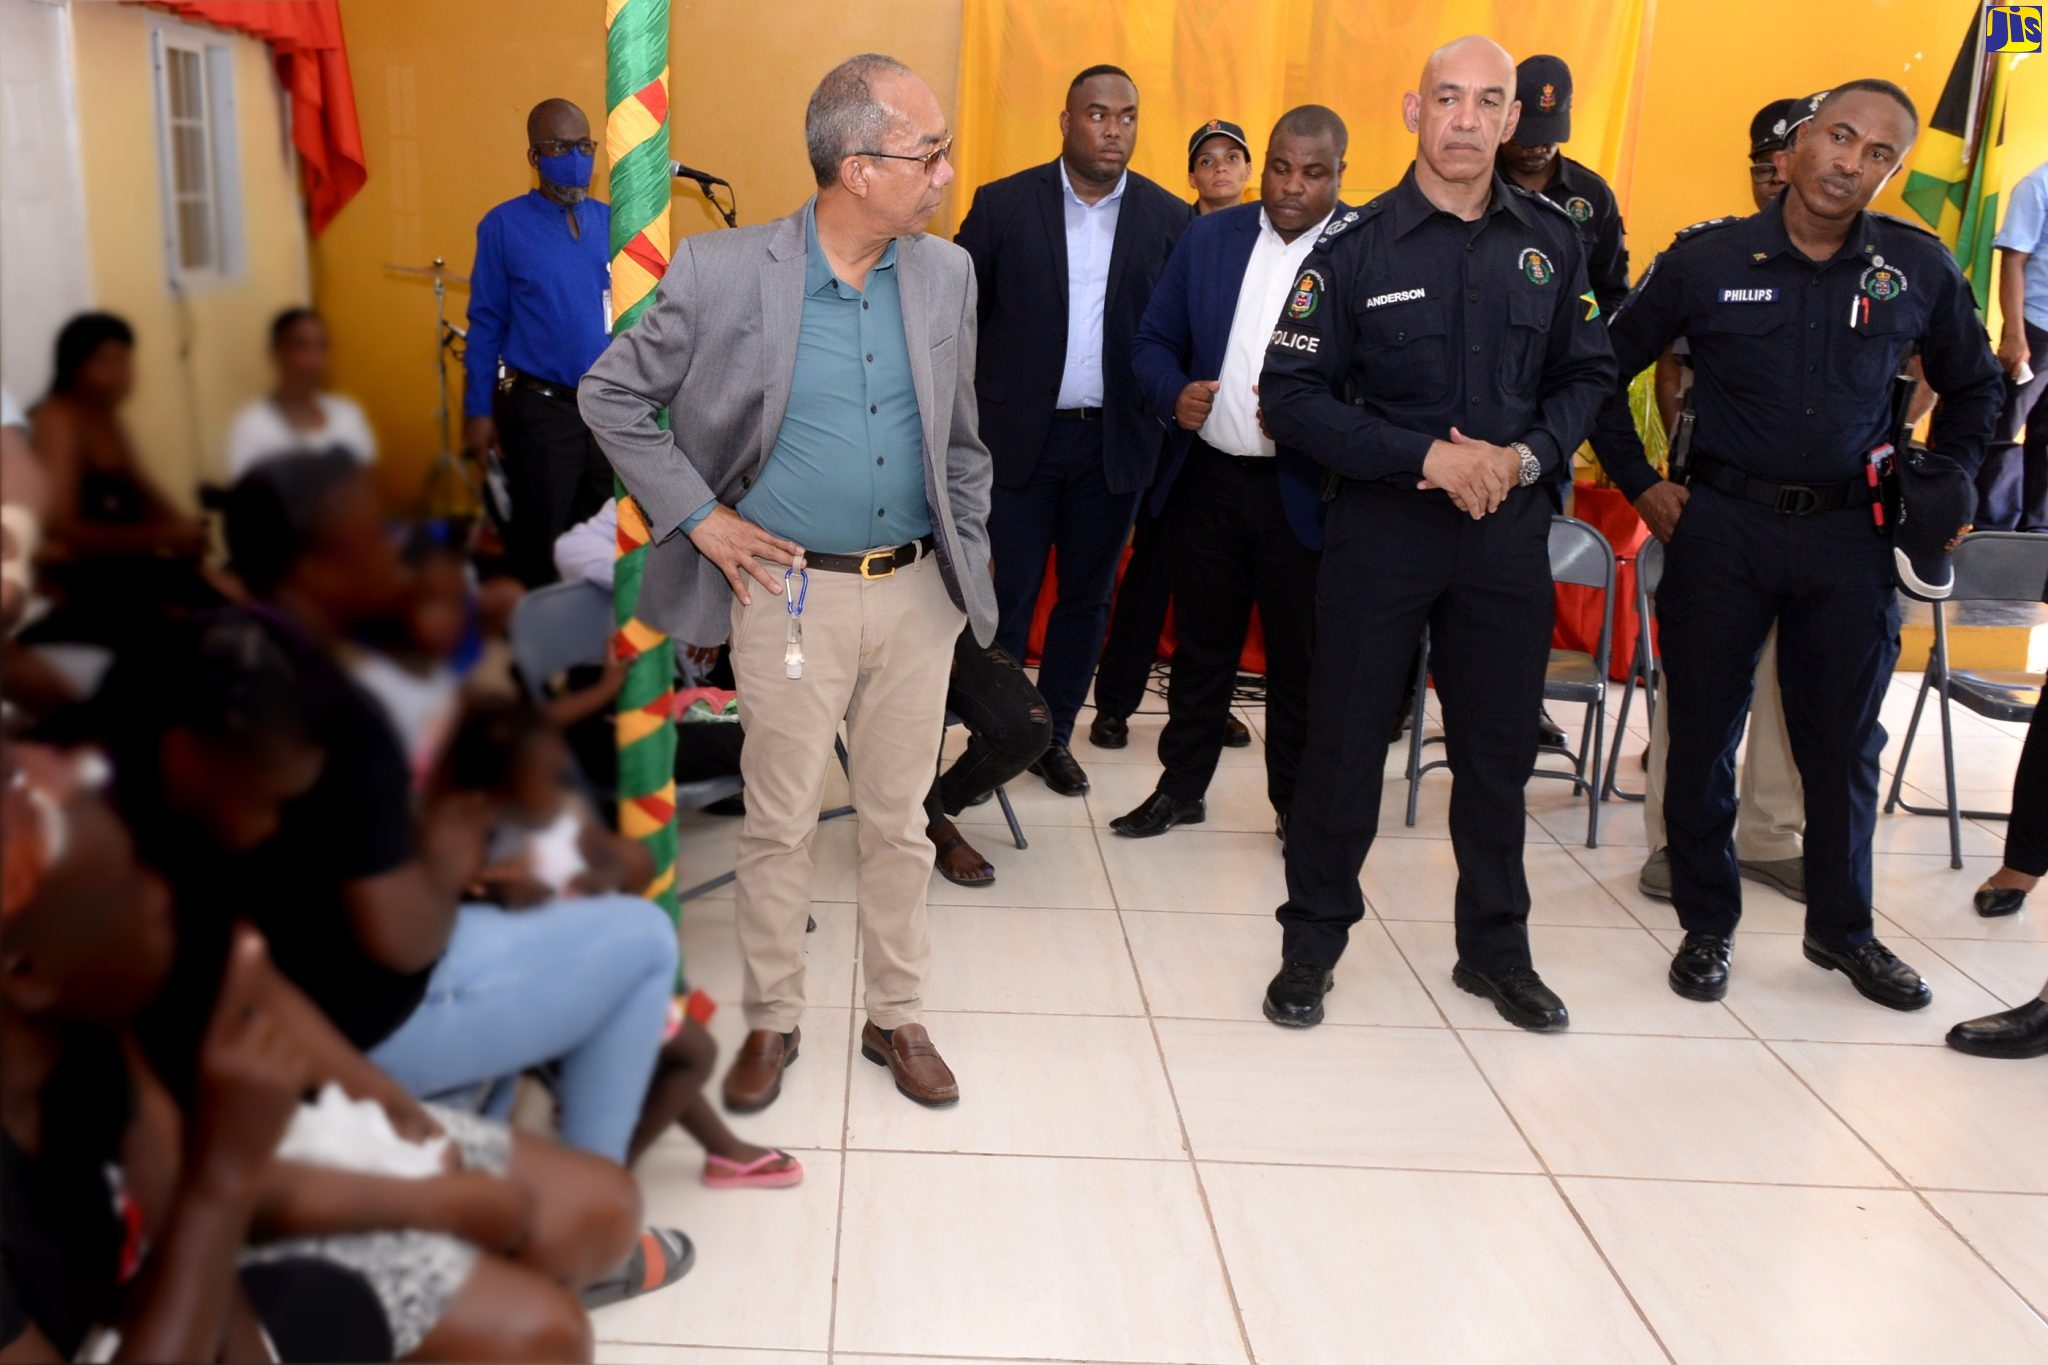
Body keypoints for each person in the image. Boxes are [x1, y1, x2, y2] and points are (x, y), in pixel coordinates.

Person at [580, 54, 995, 1112]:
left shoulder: (946, 275)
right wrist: (702, 518)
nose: (944, 170)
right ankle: (773, 1019)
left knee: (900, 821)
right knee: (779, 821)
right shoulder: (723, 272)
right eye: (926, 151)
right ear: (856, 169)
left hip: (915, 598)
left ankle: (895, 1015)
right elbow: (612, 395)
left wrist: (964, 560)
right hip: (785, 595)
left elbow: (962, 442)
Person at [89, 618, 643, 1356]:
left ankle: (479, 1278)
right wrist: (429, 1200)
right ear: (187, 759)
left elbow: (253, 979)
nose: (268, 829)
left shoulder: (190, 858)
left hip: (267, 1137)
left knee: (602, 1206)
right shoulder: (101, 930)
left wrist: (385, 1107)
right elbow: (212, 1185)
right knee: (542, 1328)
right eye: (264, 801)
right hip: (216, 1200)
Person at [1590, 82, 2003, 1011]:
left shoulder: (1916, 267)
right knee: (1698, 735)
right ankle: (1706, 922)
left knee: (1846, 744)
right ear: (1797, 145)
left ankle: (1844, 932)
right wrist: (1640, 482)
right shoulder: (1706, 260)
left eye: (1878, 154)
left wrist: (1946, 477)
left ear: (1890, 172)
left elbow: (1979, 386)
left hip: (1849, 538)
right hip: (1721, 529)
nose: (1851, 163)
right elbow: (1594, 368)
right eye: (1840, 137)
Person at [1258, 36, 1617, 1033]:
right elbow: (1286, 397)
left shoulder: (1550, 241)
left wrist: (1526, 457)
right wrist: (1425, 458)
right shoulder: (1351, 247)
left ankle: (1494, 951)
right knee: (1340, 751)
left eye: (1485, 102)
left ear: (1512, 121)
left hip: (1503, 534)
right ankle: (1312, 941)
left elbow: (1586, 373)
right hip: (1381, 529)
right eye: (1444, 99)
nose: (1464, 119)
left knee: (1497, 753)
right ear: (1410, 112)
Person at [1110, 107, 1350, 842]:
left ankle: (1295, 809)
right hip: (1209, 479)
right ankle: (1182, 786)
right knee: (1202, 647)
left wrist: (1317, 421)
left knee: (1298, 663)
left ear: (1341, 174)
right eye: (1280, 167)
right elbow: (1152, 341)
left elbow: (1386, 379)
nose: (1290, 186)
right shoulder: (1211, 237)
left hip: (1306, 492)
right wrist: (1171, 392)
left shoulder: (1365, 249)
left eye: (1312, 173)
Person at [957, 64, 1189, 797]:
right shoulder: (1001, 207)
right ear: (1065, 120)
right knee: (1011, 594)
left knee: (1087, 597)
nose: (1112, 128)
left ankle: (1052, 735)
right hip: (1019, 438)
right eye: (1097, 114)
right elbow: (959, 322)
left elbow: (1178, 334)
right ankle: (1001, 730)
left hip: (1114, 444)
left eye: (1126, 115)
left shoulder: (1168, 219)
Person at [1635, 97, 1810, 908]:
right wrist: (1664, 470)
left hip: (1824, 518)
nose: (1777, 176)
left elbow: (1925, 373)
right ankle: (1676, 841)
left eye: (1789, 159)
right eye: (1764, 166)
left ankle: (1774, 835)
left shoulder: (1874, 259)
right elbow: (1660, 367)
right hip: (1719, 501)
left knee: (1791, 681)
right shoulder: (1709, 257)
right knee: (1699, 681)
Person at [1088, 124, 1252, 758]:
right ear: (1192, 175)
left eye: (1231, 158)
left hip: (1242, 446)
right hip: (1170, 442)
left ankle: (1205, 704)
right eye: (1206, 160)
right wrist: (1171, 399)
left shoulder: (1271, 243)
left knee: (1220, 589)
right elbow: (1145, 334)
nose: (1219, 169)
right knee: (1149, 580)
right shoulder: (1167, 233)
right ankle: (1115, 705)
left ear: (1247, 168)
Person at [463, 99, 618, 588]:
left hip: (609, 412)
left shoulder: (615, 222)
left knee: (606, 543)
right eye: (559, 147)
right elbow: (485, 324)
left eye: (584, 146)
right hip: (543, 414)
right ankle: (535, 652)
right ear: (534, 156)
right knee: (540, 546)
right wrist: (478, 411)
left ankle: (593, 659)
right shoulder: (503, 227)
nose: (575, 157)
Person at [23, 314, 218, 649]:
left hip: (126, 566)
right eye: (106, 362)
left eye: (126, 361)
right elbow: (63, 532)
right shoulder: (57, 419)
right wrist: (161, 535)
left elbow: (144, 491)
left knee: (234, 600)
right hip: (85, 579)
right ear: (75, 365)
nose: (121, 374)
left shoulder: (105, 417)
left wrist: (185, 531)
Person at [924, 628, 1051, 886]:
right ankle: (934, 823)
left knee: (1029, 727)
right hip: (850, 624)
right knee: (918, 710)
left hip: (944, 620)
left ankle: (925, 807)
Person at [1978, 158, 2048, 531]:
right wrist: (2014, 334)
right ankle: (1994, 526)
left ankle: (2039, 529)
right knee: (2004, 431)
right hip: (2035, 330)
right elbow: (2013, 262)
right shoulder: (2038, 184)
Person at [226, 308, 378, 479]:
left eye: (322, 346)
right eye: (301, 346)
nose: (314, 357)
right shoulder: (253, 425)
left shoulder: (347, 413)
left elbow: (366, 480)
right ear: (275, 354)